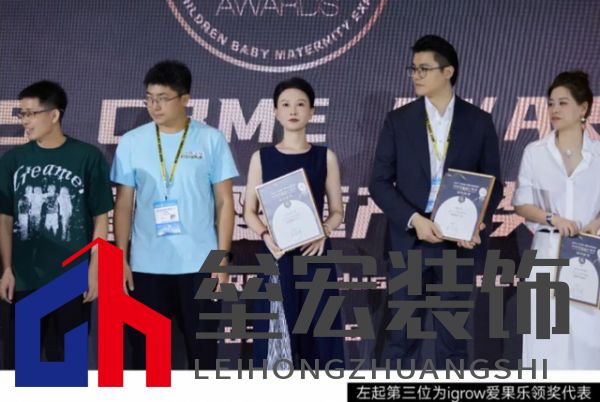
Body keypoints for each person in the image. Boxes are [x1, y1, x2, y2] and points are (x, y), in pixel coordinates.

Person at [369, 35, 503, 369]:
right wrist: (414, 219)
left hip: (457, 244)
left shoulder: (479, 121)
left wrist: (476, 222)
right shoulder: (398, 120)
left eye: (424, 69)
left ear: (448, 72)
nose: (415, 75)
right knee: (401, 341)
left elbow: (494, 184)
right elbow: (379, 183)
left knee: (452, 342)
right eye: (413, 68)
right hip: (410, 241)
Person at [111, 60, 238, 369]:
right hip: (145, 266)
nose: (154, 106)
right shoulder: (132, 142)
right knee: (146, 360)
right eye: (149, 98)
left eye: (163, 98)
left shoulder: (211, 139)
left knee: (203, 358)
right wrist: (121, 258)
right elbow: (124, 204)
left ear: (185, 99)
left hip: (199, 265)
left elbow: (224, 203)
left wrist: (221, 259)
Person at [0, 80, 113, 367]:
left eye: (31, 113)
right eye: (22, 114)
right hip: (25, 278)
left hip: (71, 279)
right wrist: (7, 269)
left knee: (68, 367)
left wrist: (95, 269)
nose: (25, 121)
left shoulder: (88, 157)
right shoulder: (12, 161)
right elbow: (5, 219)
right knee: (20, 368)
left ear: (54, 115)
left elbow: (101, 217)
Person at [243, 77, 345, 368]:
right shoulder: (261, 158)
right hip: (277, 257)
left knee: (321, 335)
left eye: (300, 104)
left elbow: (337, 211)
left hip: (315, 256)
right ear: (276, 111)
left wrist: (324, 231)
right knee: (277, 336)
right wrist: (266, 236)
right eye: (285, 104)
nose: (293, 110)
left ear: (312, 111)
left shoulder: (325, 157)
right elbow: (249, 211)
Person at [513, 70, 600, 368]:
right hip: (546, 257)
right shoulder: (535, 152)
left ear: (583, 108)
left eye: (563, 103)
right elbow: (521, 203)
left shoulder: (598, 154)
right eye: (551, 103)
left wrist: (596, 224)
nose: (554, 110)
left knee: (589, 343)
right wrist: (552, 218)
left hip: (589, 259)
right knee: (543, 343)